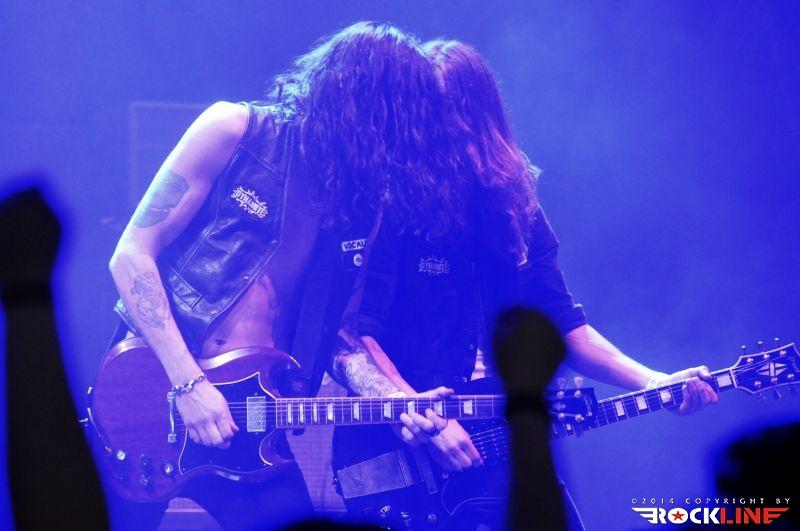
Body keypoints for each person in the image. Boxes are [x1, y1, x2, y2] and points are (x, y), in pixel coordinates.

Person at [330, 40, 718, 530]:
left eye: (455, 121)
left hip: (496, 437)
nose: (443, 137)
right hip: (400, 453)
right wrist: (422, 416)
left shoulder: (513, 209)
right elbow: (354, 332)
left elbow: (566, 325)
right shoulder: (391, 207)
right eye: (430, 122)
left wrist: (655, 382)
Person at [103, 22, 458, 531]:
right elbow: (132, 255)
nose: (401, 147)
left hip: (252, 424)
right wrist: (188, 384)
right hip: (158, 393)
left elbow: (341, 335)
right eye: (398, 124)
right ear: (361, 107)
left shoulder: (359, 209)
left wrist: (393, 399)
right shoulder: (236, 131)